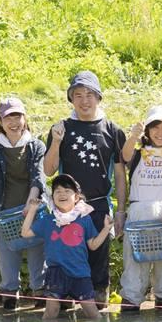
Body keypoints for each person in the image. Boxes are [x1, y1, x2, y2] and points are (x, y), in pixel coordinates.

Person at [42, 71, 128, 301]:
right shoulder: (60, 128)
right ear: (71, 99)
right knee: (66, 259)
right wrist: (57, 142)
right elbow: (49, 170)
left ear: (99, 98)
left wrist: (120, 211)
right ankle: (63, 301)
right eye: (78, 95)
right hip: (66, 211)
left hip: (99, 207)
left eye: (90, 94)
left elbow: (120, 175)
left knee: (98, 263)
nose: (84, 100)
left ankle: (99, 305)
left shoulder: (113, 130)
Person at [117, 105, 162, 312]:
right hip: (138, 218)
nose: (160, 133)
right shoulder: (137, 154)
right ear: (147, 131)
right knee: (133, 268)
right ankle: (130, 309)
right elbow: (125, 155)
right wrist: (133, 136)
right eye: (155, 127)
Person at [0, 97, 46, 311]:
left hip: (34, 209)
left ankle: (40, 293)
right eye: (8, 117)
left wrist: (31, 202)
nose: (14, 122)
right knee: (8, 256)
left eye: (17, 116)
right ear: (1, 121)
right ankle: (10, 295)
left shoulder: (36, 146)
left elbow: (39, 174)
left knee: (38, 254)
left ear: (25, 118)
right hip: (5, 212)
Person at [25, 173, 111, 320]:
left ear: (76, 197)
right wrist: (32, 210)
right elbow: (25, 233)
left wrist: (106, 229)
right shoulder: (48, 220)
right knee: (51, 312)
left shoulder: (84, 219)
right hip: (56, 273)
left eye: (67, 191)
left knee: (93, 313)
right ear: (53, 198)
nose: (62, 194)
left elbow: (93, 245)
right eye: (57, 191)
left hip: (80, 273)